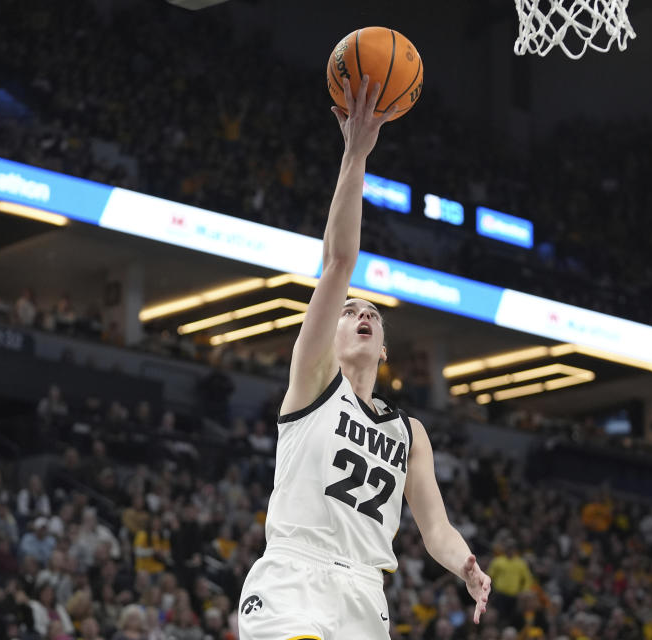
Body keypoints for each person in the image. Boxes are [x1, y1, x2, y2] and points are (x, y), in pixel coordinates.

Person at [236, 75, 490, 640]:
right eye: (349, 311)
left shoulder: (409, 432)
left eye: (371, 314)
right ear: (330, 334)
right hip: (293, 576)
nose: (361, 314)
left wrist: (466, 564)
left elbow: (436, 528)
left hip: (364, 598)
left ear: (384, 346)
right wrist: (356, 154)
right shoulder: (312, 381)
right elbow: (339, 262)